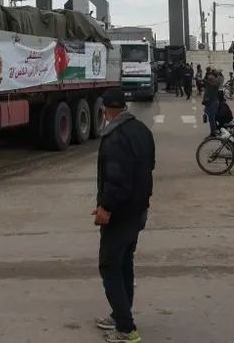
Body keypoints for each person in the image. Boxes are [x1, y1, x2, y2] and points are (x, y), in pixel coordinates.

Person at [92, 88, 156, 343]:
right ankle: (120, 314)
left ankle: (126, 329)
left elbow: (117, 181)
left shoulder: (115, 137)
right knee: (124, 262)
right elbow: (149, 166)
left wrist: (105, 207)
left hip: (120, 213)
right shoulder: (142, 130)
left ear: (105, 110)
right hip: (139, 209)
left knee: (109, 267)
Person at [202, 69, 220, 135]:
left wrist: (205, 80)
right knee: (209, 116)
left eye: (210, 75)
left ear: (214, 76)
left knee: (211, 118)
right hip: (208, 102)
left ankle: (213, 132)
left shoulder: (216, 82)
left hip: (213, 102)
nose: (209, 76)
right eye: (208, 75)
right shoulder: (209, 82)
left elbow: (212, 85)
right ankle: (215, 130)